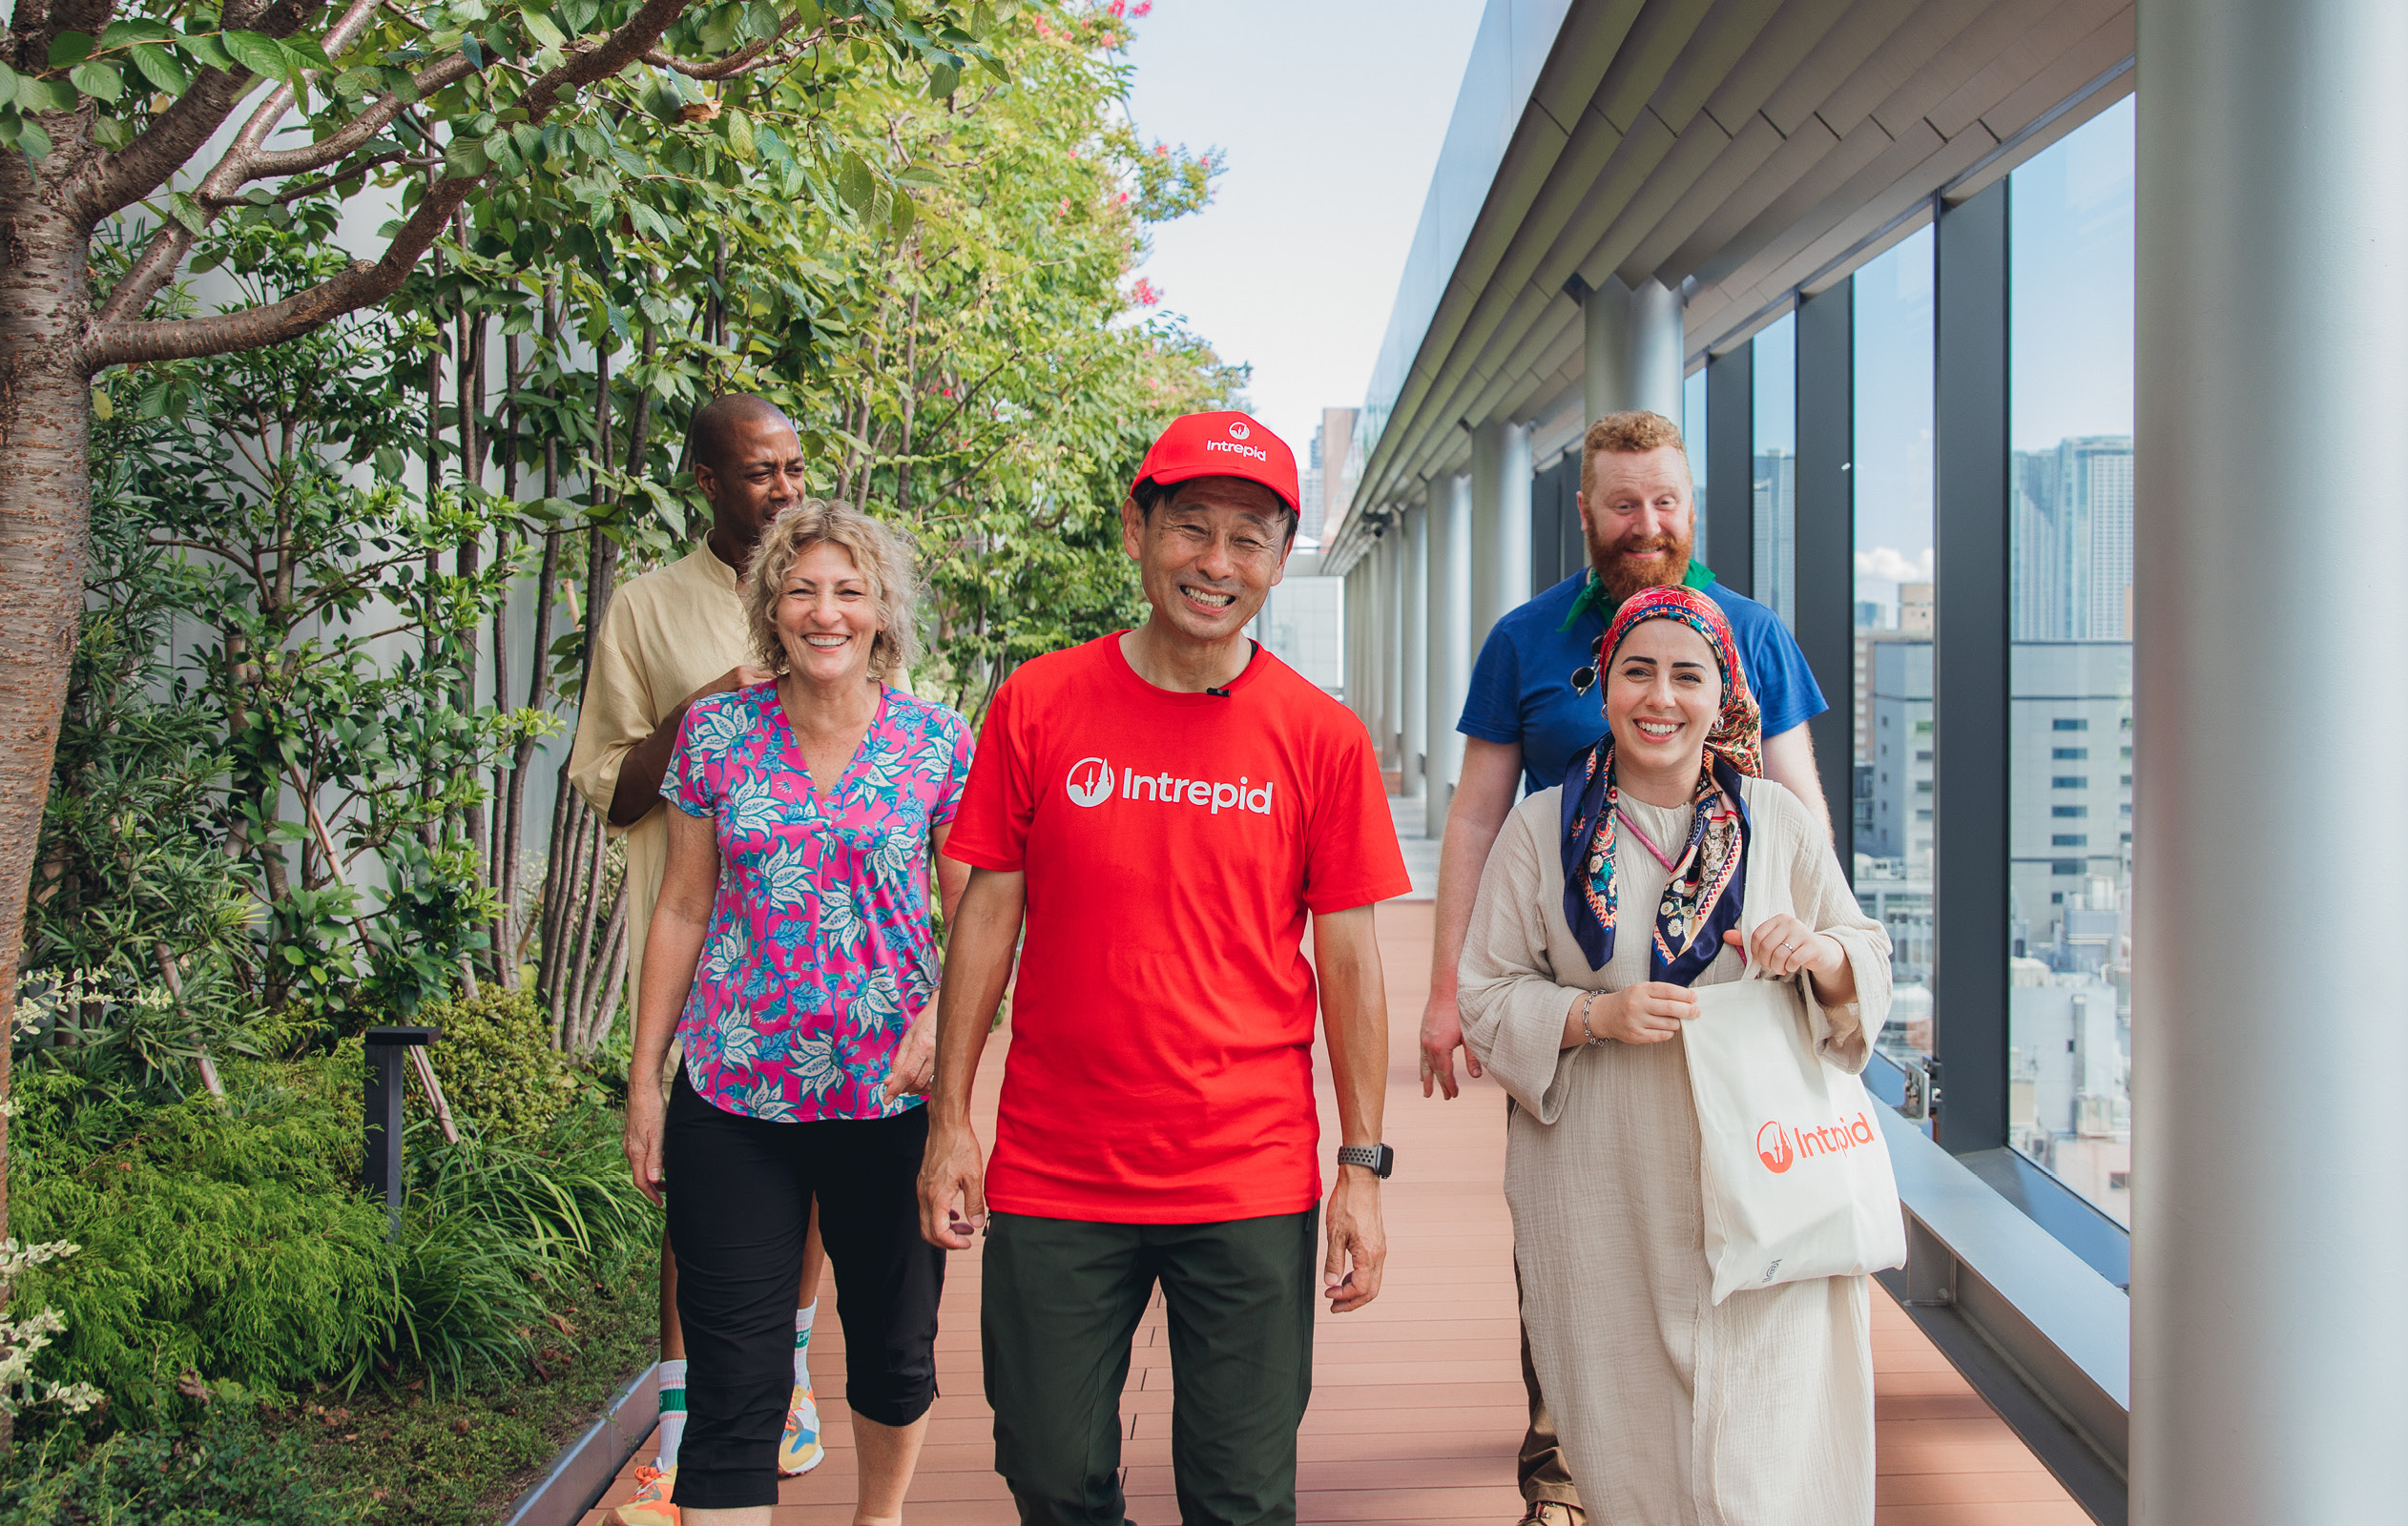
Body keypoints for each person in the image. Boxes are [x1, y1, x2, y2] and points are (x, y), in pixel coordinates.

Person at [916, 410, 1410, 1526]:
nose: (1216, 563)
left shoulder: (1319, 736)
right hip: (1057, 1163)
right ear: (1137, 529)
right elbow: (988, 909)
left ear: (1282, 561)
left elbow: (1348, 959)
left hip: (1246, 1168)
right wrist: (953, 1118)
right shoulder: (1039, 701)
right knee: (1047, 1472)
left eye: (1249, 539)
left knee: (1240, 1496)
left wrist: (1363, 1168)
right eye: (1192, 527)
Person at [1415, 408, 1833, 1526]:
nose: (1647, 523)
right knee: (1576, 1249)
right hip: (1582, 1017)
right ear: (1587, 511)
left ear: (1689, 507)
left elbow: (1799, 816)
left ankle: (1722, 1483)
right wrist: (1452, 993)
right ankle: (1567, 1489)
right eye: (1622, 503)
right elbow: (1475, 817)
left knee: (1731, 1258)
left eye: (1666, 502)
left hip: (1731, 1022)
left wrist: (1823, 950)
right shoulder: (1524, 639)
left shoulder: (1752, 631)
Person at [1457, 586, 1892, 1525]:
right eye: (1637, 671)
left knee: (1766, 1452)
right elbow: (1484, 993)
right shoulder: (1541, 831)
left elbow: (1863, 951)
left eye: (1686, 674)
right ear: (1601, 687)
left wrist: (1818, 956)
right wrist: (1590, 1018)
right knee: (1628, 1451)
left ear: (1723, 693)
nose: (1661, 697)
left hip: (1770, 1182)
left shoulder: (1776, 822)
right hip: (1606, 1187)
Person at [621, 497, 973, 1524]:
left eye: (848, 591)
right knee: (733, 1378)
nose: (825, 611)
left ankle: (880, 1515)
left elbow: (979, 924)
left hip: (887, 1098)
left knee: (895, 1352)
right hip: (734, 1095)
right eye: (803, 588)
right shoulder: (718, 734)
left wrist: (942, 1033)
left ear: (880, 614)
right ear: (771, 606)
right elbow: (683, 906)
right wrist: (646, 1081)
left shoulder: (934, 742)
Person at [568, 396, 833, 1520]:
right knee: (697, 1183)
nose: (783, 488)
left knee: (816, 1166)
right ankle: (681, 1435)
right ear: (707, 483)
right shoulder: (645, 609)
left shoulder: (832, 590)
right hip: (703, 943)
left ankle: (786, 1377)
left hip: (822, 947)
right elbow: (609, 786)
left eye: (794, 467)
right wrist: (706, 710)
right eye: (759, 472)